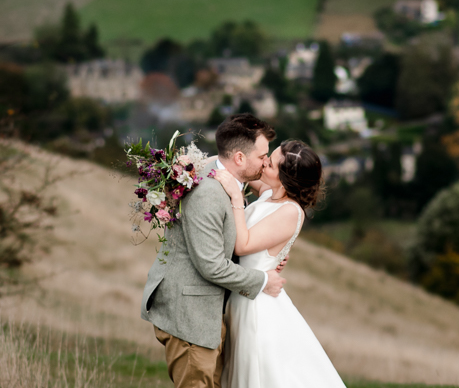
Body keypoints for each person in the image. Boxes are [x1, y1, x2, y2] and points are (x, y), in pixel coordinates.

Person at [140, 114, 287, 388]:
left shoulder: (227, 180)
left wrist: (268, 256)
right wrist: (264, 281)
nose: (266, 162)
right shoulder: (208, 192)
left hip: (207, 314)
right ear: (240, 158)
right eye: (263, 156)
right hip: (189, 316)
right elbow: (212, 265)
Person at [212, 139, 347, 388]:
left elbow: (242, 245)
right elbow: (238, 169)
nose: (264, 163)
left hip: (257, 305)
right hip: (242, 294)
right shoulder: (268, 194)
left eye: (270, 163)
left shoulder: (291, 211)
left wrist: (235, 197)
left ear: (284, 180)